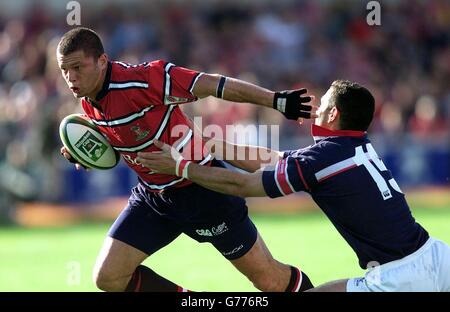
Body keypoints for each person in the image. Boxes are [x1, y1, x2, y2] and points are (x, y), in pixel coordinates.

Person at [57, 27, 316, 292]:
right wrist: (85, 151)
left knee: (270, 280)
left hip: (203, 189)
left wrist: (277, 101)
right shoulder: (89, 101)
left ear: (102, 61)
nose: (70, 77)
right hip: (154, 197)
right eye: (64, 70)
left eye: (77, 67)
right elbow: (122, 134)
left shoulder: (144, 79)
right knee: (108, 277)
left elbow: (215, 84)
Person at [137, 80, 450, 292]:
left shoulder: (323, 158)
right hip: (435, 255)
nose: (315, 110)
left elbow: (243, 184)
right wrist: (208, 145)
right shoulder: (351, 147)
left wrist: (180, 167)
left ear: (333, 113)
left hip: (402, 276)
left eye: (321, 104)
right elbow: (273, 159)